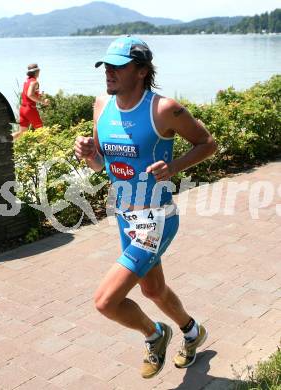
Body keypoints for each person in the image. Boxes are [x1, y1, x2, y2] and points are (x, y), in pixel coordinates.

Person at [75, 36, 217, 379]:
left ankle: (155, 335)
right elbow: (106, 166)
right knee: (152, 289)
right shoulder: (100, 106)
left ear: (141, 71)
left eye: (118, 66)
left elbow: (207, 143)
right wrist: (90, 155)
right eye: (106, 66)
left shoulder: (163, 109)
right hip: (124, 216)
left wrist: (174, 167)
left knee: (106, 301)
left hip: (156, 218)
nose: (109, 72)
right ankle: (193, 332)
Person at [12, 63, 49, 140]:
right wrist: (43, 102)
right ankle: (45, 150)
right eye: (39, 71)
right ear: (36, 72)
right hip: (30, 109)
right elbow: (30, 94)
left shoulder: (27, 81)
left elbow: (27, 93)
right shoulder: (34, 82)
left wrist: (38, 95)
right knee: (41, 132)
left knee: (22, 132)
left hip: (22, 109)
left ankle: (3, 141)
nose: (39, 72)